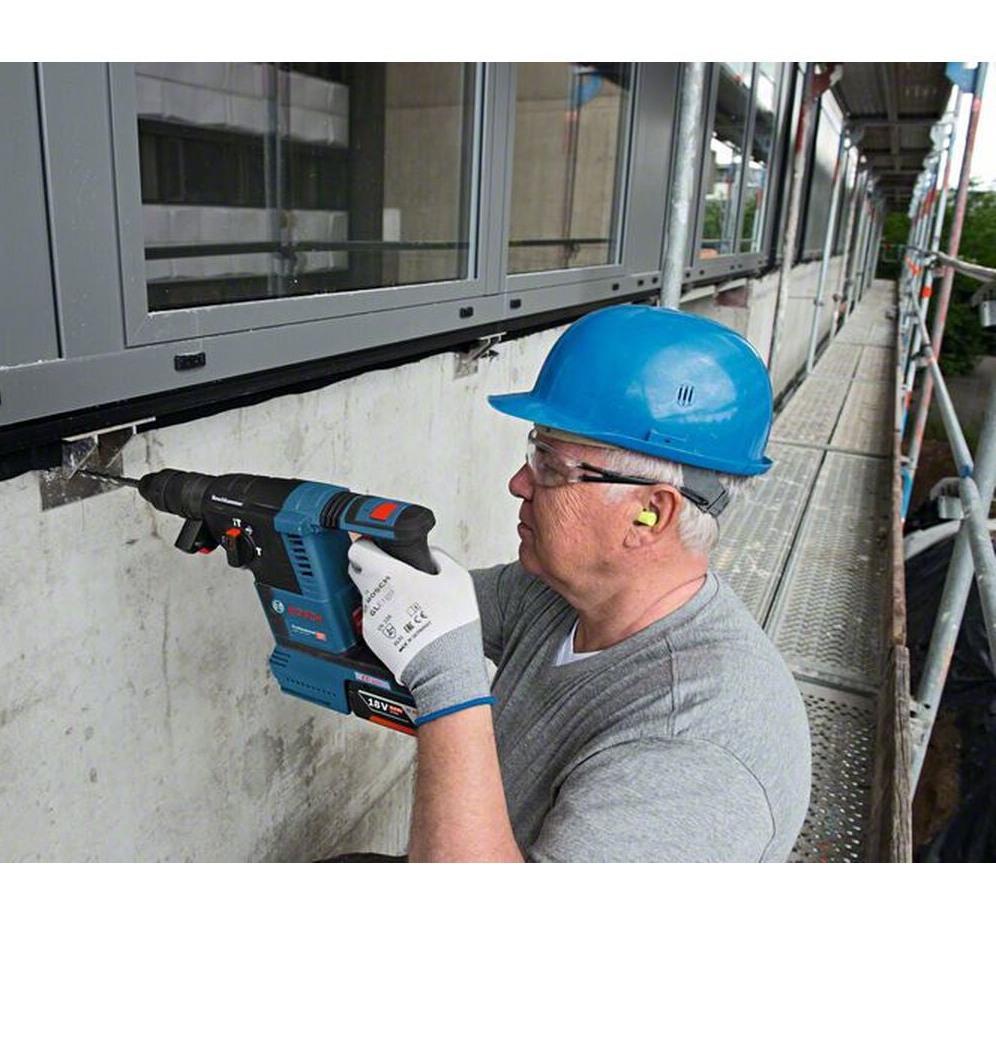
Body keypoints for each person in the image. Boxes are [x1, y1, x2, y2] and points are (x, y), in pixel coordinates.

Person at [347, 304, 812, 862]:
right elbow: (429, 606)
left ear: (649, 515)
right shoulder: (560, 597)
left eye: (549, 465)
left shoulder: (693, 752)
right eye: (533, 451)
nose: (518, 483)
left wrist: (448, 684)